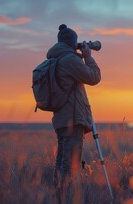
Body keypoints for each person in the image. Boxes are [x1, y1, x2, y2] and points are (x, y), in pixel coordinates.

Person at [46, 24, 101, 188]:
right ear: (72, 42)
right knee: (70, 166)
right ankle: (67, 201)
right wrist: (88, 57)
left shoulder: (55, 58)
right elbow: (94, 77)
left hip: (62, 119)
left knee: (62, 162)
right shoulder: (69, 60)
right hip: (73, 118)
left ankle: (59, 199)